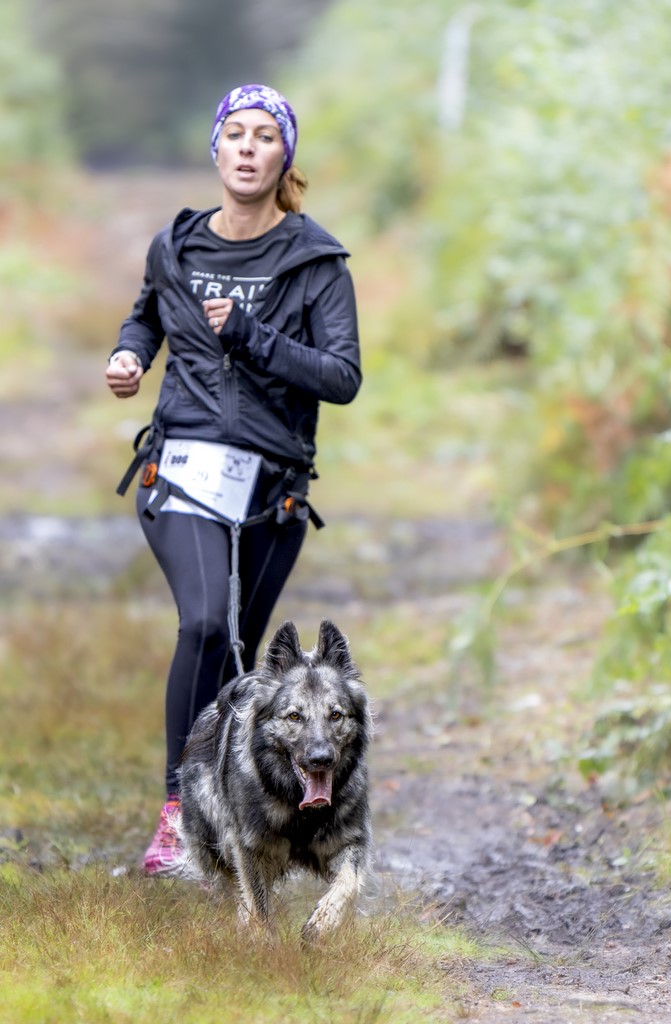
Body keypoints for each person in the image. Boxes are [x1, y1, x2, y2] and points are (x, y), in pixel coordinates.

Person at [105, 83, 361, 875]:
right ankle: (176, 818)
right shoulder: (175, 245)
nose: (248, 148)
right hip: (179, 465)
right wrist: (129, 355)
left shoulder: (314, 260)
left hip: (273, 482)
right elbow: (149, 312)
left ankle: (238, 820)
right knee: (205, 627)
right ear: (215, 149)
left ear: (285, 155)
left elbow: (341, 375)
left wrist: (249, 335)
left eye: (265, 137)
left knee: (241, 655)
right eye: (236, 134)